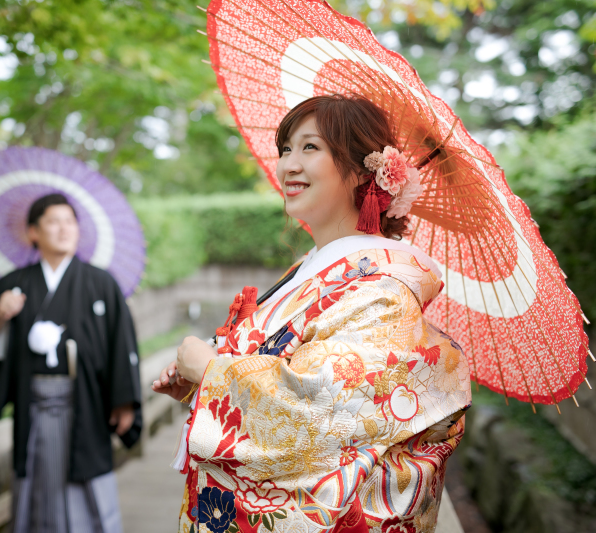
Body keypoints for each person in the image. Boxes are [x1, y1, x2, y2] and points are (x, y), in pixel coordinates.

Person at [153, 95, 472, 532]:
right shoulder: (313, 268)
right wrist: (199, 388)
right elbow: (279, 360)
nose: (288, 165)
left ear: (365, 172)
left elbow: (325, 407)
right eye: (286, 149)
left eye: (310, 148)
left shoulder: (383, 289)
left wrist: (212, 371)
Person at [0, 193, 142, 533]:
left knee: (87, 479)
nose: (63, 229)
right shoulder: (15, 286)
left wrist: (125, 402)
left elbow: (121, 344)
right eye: (52, 221)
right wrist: (1, 318)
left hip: (86, 403)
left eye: (69, 221)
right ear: (33, 232)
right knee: (37, 478)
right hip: (34, 404)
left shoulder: (100, 282)